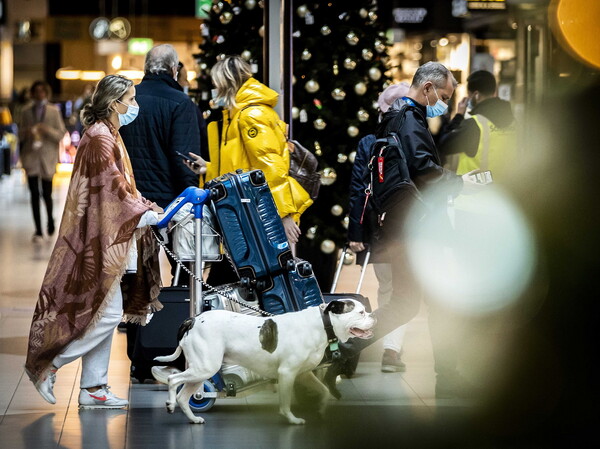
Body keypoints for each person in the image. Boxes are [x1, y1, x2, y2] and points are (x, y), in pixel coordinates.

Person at [326, 62, 481, 400]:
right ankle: (448, 378)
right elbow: (424, 171)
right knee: (438, 299)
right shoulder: (410, 120)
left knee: (405, 303)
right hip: (418, 228)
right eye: (442, 96)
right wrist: (459, 182)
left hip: (399, 227)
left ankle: (338, 354)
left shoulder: (392, 119)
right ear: (426, 88)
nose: (442, 103)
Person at [25, 75, 163, 409]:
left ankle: (93, 387)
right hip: (101, 237)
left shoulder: (108, 134)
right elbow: (110, 190)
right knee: (107, 310)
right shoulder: (101, 137)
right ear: (114, 103)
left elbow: (119, 186)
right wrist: (143, 212)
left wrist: (142, 205)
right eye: (130, 99)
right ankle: (49, 366)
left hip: (105, 235)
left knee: (104, 307)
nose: (134, 105)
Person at [184, 55, 312, 284]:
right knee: (239, 279)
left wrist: (283, 215)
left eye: (216, 84)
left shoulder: (251, 115)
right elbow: (240, 165)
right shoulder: (235, 116)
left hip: (257, 215)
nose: (214, 89)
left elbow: (271, 166)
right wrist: (208, 169)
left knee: (245, 280)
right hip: (244, 213)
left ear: (227, 83)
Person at [348, 82, 411, 373]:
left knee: (389, 289)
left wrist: (356, 233)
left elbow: (359, 190)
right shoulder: (414, 140)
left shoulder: (368, 143)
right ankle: (391, 350)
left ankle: (357, 344)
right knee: (405, 294)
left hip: (380, 232)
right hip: (408, 231)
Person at [119, 44, 201, 210]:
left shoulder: (126, 99)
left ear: (146, 68)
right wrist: (192, 200)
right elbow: (185, 159)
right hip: (166, 204)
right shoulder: (181, 103)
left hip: (128, 198)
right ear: (173, 69)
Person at [439, 70, 516, 180]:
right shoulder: (513, 120)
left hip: (476, 193)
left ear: (476, 95)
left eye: (469, 95)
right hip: (506, 190)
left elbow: (444, 145)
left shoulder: (475, 125)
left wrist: (459, 116)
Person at [17, 81, 67, 242]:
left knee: (47, 193)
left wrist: (46, 130)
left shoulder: (53, 111)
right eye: (36, 91)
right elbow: (20, 133)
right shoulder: (25, 111)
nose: (39, 94)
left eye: (41, 91)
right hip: (31, 156)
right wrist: (29, 132)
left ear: (46, 93)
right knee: (33, 193)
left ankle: (50, 221)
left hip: (47, 157)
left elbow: (60, 134)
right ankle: (38, 229)